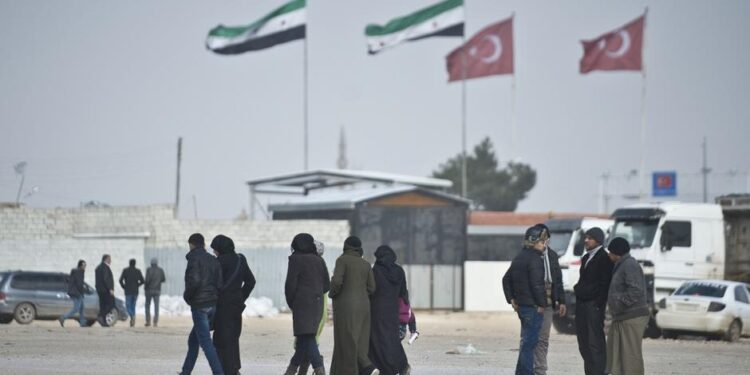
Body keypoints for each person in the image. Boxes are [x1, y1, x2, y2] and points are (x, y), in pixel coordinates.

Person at [329, 236, 379, 375]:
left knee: (346, 342)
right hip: (364, 307)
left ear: (346, 246)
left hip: (346, 307)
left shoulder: (342, 260)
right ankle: (366, 367)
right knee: (359, 341)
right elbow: (372, 287)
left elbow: (337, 282)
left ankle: (362, 369)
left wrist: (332, 293)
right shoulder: (366, 264)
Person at [502, 226, 547, 375]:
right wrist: (542, 304)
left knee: (526, 344)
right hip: (533, 308)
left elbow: (505, 279)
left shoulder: (519, 257)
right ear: (533, 242)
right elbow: (537, 284)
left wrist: (512, 299)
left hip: (522, 308)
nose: (544, 245)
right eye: (541, 242)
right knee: (529, 345)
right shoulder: (535, 259)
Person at [283, 233, 330, 375]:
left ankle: (319, 369)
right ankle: (291, 370)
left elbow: (290, 286)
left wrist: (293, 303)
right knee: (305, 338)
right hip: (317, 305)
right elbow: (327, 285)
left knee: (307, 337)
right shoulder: (319, 260)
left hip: (302, 305)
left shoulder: (295, 259)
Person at [180, 233, 224, 375]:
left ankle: (218, 372)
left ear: (191, 244)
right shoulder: (213, 259)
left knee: (205, 343)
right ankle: (186, 371)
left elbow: (194, 281)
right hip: (213, 305)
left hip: (200, 305)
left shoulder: (193, 258)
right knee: (193, 340)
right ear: (203, 244)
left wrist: (187, 297)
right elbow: (220, 283)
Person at [211, 235, 256, 375]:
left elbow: (213, 286)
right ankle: (233, 370)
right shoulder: (240, 260)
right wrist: (240, 297)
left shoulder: (217, 262)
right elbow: (251, 281)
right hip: (236, 308)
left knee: (220, 342)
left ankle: (228, 371)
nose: (214, 252)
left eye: (215, 249)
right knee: (232, 340)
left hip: (221, 308)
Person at [605, 237, 650, 375]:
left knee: (630, 357)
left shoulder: (629, 264)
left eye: (610, 252)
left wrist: (619, 302)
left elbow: (636, 290)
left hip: (632, 317)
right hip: (622, 317)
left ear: (615, 253)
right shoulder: (621, 264)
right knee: (617, 355)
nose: (608, 255)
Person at [573, 227, 614, 375]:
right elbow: (583, 281)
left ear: (598, 240)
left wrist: (597, 304)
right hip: (582, 306)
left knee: (595, 344)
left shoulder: (604, 258)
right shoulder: (586, 258)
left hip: (594, 307)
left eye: (589, 238)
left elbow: (603, 285)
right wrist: (578, 289)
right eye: (585, 237)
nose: (586, 240)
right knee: (583, 344)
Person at [368, 245, 410, 375]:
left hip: (376, 310)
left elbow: (371, 290)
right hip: (393, 310)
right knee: (392, 339)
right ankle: (401, 365)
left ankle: (383, 368)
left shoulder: (375, 270)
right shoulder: (399, 271)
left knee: (376, 340)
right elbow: (403, 292)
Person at [533, 224, 566, 375]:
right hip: (531, 303)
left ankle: (540, 369)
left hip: (548, 303)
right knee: (529, 337)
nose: (544, 241)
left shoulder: (552, 256)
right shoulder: (527, 255)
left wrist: (562, 301)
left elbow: (558, 280)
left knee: (543, 338)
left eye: (545, 237)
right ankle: (527, 367)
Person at [296, 240, 329, 375]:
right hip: (320, 310)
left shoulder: (314, 266)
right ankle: (304, 371)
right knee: (308, 341)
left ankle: (318, 368)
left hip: (314, 310)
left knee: (307, 341)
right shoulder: (321, 265)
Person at [59, 260, 87, 327]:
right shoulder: (80, 272)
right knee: (76, 308)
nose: (85, 267)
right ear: (81, 265)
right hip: (77, 292)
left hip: (73, 291)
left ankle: (82, 322)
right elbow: (79, 283)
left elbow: (71, 281)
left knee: (82, 307)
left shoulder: (74, 271)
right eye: (84, 266)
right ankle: (63, 317)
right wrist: (83, 290)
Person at [119, 258, 145, 327]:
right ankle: (133, 318)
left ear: (129, 263)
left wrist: (124, 286)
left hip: (128, 291)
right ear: (135, 263)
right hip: (135, 291)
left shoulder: (125, 270)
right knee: (133, 305)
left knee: (128, 305)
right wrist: (137, 285)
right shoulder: (138, 271)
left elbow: (120, 280)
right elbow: (143, 281)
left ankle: (132, 316)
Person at [144, 257, 166, 327]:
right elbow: (163, 279)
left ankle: (148, 321)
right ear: (157, 263)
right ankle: (155, 322)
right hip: (157, 290)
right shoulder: (160, 270)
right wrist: (158, 281)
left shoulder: (148, 269)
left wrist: (145, 288)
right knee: (156, 306)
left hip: (149, 290)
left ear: (151, 263)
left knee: (147, 306)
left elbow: (147, 280)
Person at [95, 254, 115, 327]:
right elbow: (106, 279)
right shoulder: (105, 268)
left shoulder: (98, 267)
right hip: (106, 290)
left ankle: (103, 321)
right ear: (106, 259)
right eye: (109, 259)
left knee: (103, 305)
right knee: (111, 305)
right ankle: (101, 316)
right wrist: (110, 289)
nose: (111, 261)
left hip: (100, 290)